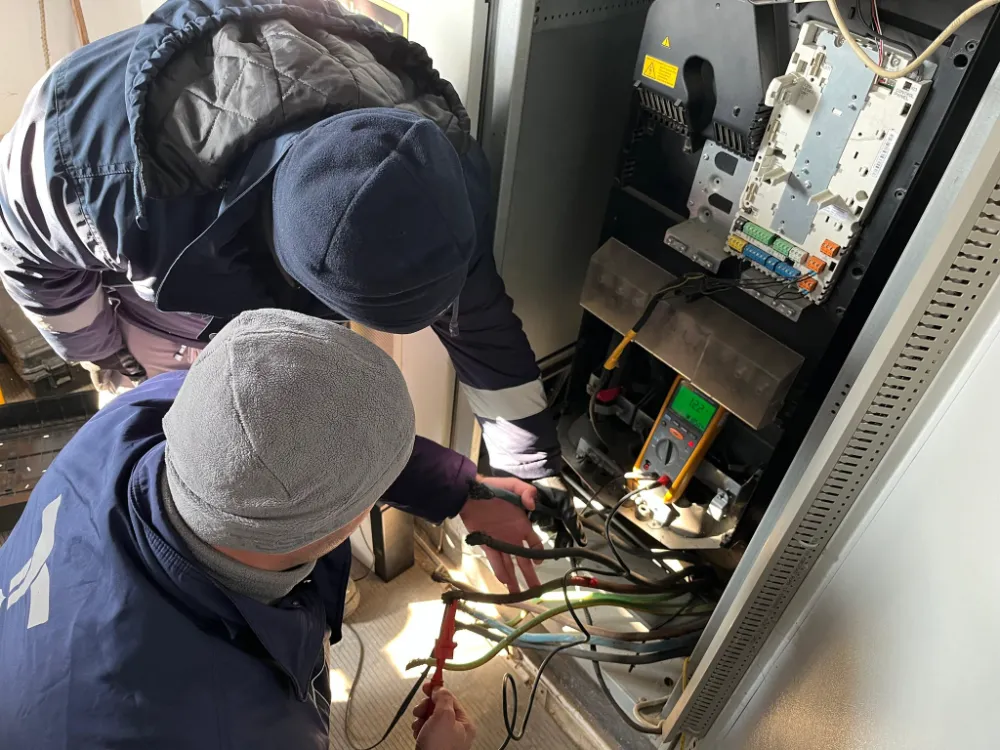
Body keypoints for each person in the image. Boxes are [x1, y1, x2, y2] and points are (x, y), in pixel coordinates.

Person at [0, 0, 583, 590]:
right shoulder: (86, 172)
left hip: (226, 238)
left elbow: (474, 319)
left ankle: (302, 588)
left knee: (287, 478)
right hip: (153, 300)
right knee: (206, 513)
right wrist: (111, 355)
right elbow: (24, 258)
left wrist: (527, 470)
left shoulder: (434, 170)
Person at [0, 309, 486, 750]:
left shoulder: (139, 415)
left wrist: (464, 490)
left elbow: (310, 427)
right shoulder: (239, 728)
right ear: (341, 525)